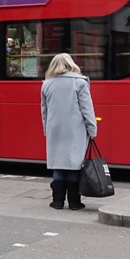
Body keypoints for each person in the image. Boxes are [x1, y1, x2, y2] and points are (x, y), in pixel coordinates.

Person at [41, 52, 97, 211]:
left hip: (54, 129)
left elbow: (44, 111)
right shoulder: (80, 82)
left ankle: (57, 201)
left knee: (58, 165)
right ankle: (74, 202)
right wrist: (92, 129)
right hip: (75, 130)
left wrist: (46, 129)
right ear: (71, 64)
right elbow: (87, 109)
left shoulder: (46, 84)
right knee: (74, 165)